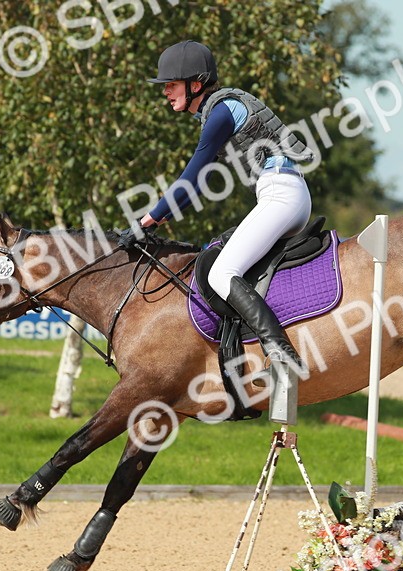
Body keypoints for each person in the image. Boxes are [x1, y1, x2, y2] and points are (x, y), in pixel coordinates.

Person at [132, 40, 312, 372]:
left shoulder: (222, 112)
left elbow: (191, 175)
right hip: (283, 193)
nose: (166, 92)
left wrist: (149, 218)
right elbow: (194, 187)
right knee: (220, 253)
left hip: (281, 194)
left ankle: (281, 353)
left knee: (221, 273)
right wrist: (158, 218)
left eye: (170, 85)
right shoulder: (221, 109)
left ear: (194, 85)